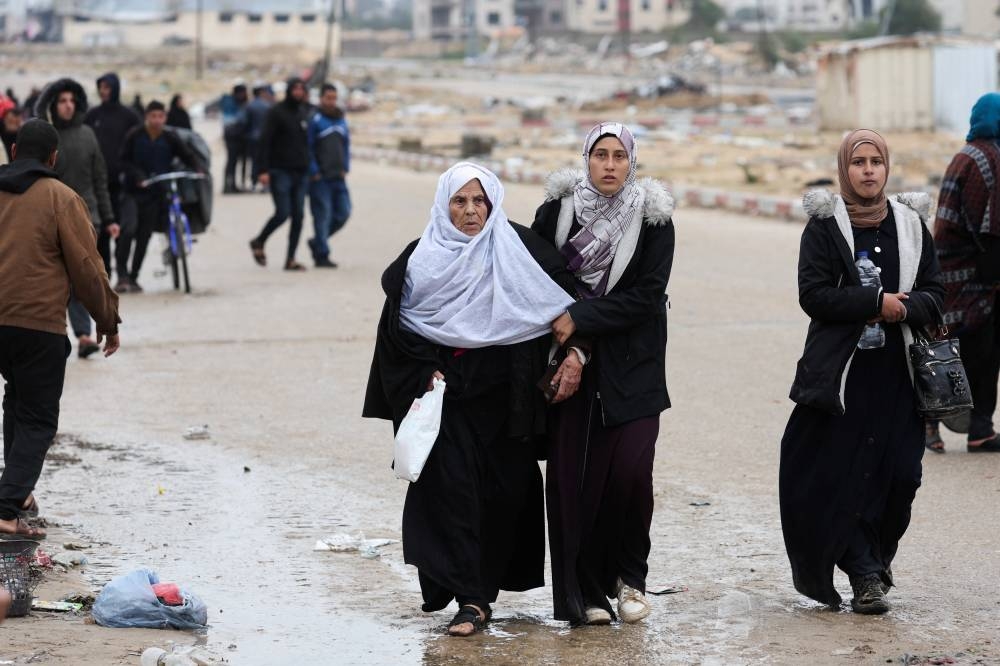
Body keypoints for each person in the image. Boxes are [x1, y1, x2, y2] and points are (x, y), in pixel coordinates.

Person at [363, 163, 585, 636]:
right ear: (444, 207)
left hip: (508, 400)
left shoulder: (520, 251)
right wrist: (425, 369)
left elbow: (561, 301)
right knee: (453, 494)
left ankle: (482, 591)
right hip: (449, 400)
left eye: (479, 201)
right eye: (459, 202)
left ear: (493, 204)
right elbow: (396, 333)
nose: (470, 211)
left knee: (503, 498)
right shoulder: (421, 260)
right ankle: (471, 601)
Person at [780, 129, 945, 615]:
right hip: (845, 376)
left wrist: (902, 308)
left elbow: (935, 293)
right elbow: (813, 294)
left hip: (901, 375)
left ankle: (877, 558)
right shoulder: (825, 227)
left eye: (876, 161)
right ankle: (864, 573)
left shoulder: (912, 226)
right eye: (859, 162)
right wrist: (874, 302)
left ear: (887, 167)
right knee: (847, 477)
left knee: (902, 477)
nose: (868, 170)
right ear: (844, 169)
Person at [532, 122, 675, 626]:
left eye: (619, 155)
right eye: (601, 154)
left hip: (633, 365)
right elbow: (545, 280)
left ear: (632, 161)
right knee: (575, 482)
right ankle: (587, 594)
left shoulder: (654, 219)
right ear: (586, 159)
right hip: (566, 363)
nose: (610, 165)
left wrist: (583, 323)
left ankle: (630, 578)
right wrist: (572, 346)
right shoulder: (557, 212)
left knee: (632, 474)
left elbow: (645, 296)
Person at [0, 119, 121, 540]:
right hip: (37, 326)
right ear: (54, 157)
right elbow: (87, 270)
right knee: (37, 417)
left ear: (14, 152)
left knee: (16, 399)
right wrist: (108, 322)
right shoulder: (61, 198)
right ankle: (6, 508)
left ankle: (21, 494)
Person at [926, 93, 1000, 454]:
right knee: (982, 354)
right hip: (977, 276)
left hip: (949, 271)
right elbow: (992, 229)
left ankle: (934, 426)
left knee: (946, 348)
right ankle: (979, 430)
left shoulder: (964, 154)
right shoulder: (993, 158)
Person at [36, 78, 119, 359]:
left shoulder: (88, 136)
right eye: (62, 101)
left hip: (87, 217)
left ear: (79, 103)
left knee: (81, 276)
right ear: (53, 105)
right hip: (51, 217)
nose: (68, 105)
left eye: (72, 100)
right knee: (57, 280)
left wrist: (109, 218)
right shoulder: (46, 139)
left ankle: (83, 334)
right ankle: (59, 334)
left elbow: (100, 180)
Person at [117, 100, 201, 293]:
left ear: (165, 117)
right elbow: (123, 161)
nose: (157, 120)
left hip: (156, 195)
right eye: (153, 116)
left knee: (144, 236)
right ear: (146, 116)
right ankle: (121, 274)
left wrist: (198, 169)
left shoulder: (170, 137)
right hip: (133, 192)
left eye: (160, 116)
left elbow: (187, 155)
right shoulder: (135, 135)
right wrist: (138, 177)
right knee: (129, 229)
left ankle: (134, 276)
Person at [249, 78, 311, 271]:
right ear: (289, 90)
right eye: (296, 89)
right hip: (279, 171)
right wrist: (262, 170)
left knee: (299, 217)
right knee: (283, 213)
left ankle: (290, 259)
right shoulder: (275, 112)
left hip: (300, 172)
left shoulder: (303, 112)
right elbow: (264, 141)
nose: (299, 92)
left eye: (302, 89)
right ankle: (259, 240)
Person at [84, 72, 141, 280]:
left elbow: (139, 146)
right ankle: (105, 273)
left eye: (107, 87)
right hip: (99, 185)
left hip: (124, 184)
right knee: (102, 232)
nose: (103, 91)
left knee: (126, 228)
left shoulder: (130, 116)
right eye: (101, 87)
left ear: (115, 88)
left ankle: (124, 272)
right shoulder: (92, 116)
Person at [306, 83, 351, 268]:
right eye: (328, 98)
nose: (331, 102)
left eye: (334, 98)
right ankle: (322, 254)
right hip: (320, 179)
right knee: (322, 216)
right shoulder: (314, 120)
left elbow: (346, 145)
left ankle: (318, 241)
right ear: (321, 98)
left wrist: (345, 166)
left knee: (343, 213)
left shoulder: (341, 119)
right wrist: (314, 170)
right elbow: (307, 148)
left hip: (338, 177)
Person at [245, 83, 274, 189]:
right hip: (265, 138)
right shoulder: (268, 106)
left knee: (254, 161)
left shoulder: (249, 106)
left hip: (253, 138)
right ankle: (265, 185)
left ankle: (254, 182)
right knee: (265, 160)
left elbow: (246, 123)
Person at [221, 84, 248, 194]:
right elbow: (232, 121)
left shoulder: (240, 103)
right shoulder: (230, 104)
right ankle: (228, 186)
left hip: (239, 137)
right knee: (231, 162)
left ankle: (234, 185)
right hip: (232, 138)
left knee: (236, 162)